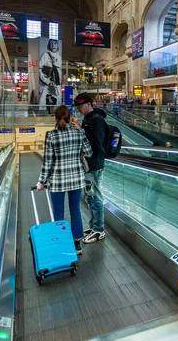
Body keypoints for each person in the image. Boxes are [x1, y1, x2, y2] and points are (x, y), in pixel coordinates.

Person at [36, 105, 92, 255]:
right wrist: (81, 132)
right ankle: (77, 244)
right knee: (76, 211)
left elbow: (48, 162)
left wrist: (41, 181)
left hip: (58, 180)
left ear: (55, 118)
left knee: (59, 214)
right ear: (69, 118)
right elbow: (89, 152)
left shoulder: (51, 135)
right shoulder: (79, 133)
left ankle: (62, 244)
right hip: (76, 179)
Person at [72, 93, 107, 244]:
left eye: (80, 106)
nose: (79, 109)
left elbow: (97, 144)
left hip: (94, 165)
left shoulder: (97, 119)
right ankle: (94, 226)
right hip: (88, 164)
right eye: (77, 107)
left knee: (94, 197)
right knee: (90, 197)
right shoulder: (88, 119)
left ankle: (99, 230)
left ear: (88, 104)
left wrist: (81, 131)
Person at [39, 39, 61, 114]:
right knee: (43, 102)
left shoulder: (59, 57)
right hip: (47, 83)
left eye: (55, 43)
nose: (53, 45)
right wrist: (46, 80)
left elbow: (59, 71)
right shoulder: (45, 55)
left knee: (57, 101)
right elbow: (40, 69)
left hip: (56, 83)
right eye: (51, 44)